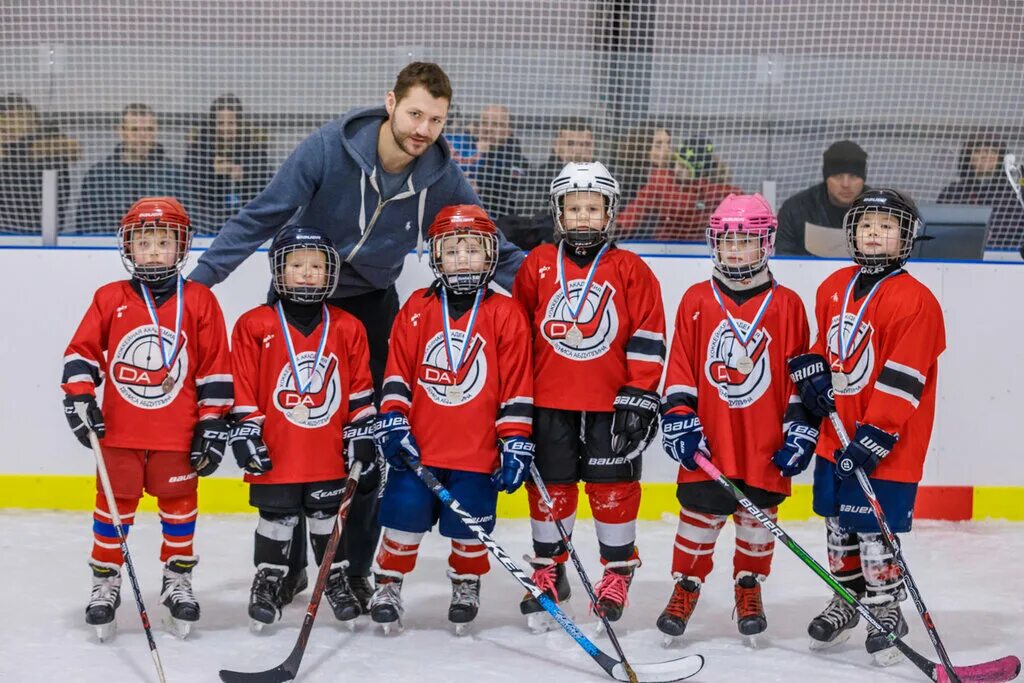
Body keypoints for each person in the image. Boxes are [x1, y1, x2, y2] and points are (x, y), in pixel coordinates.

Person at [187, 62, 525, 611]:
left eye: (436, 120)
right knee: (291, 434)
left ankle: (353, 570)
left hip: (369, 311)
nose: (423, 129)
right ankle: (285, 570)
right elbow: (259, 217)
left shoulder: (441, 175)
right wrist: (196, 288)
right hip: (301, 298)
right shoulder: (327, 149)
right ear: (390, 103)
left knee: (365, 446)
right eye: (415, 114)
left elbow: (493, 246)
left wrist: (552, 290)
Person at [60, 197, 233, 640]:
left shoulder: (199, 301)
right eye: (144, 243)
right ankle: (106, 582)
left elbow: (215, 369)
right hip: (118, 434)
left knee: (179, 510)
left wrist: (211, 423)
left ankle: (177, 582)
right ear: (128, 248)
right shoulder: (110, 298)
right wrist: (80, 400)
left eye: (164, 242)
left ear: (182, 247)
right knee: (112, 511)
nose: (154, 251)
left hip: (177, 435)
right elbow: (81, 354)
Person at [787, 189, 945, 666]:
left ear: (906, 237)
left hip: (887, 443)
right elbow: (824, 345)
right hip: (837, 437)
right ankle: (847, 601)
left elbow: (905, 374)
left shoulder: (917, 300)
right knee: (838, 528)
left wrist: (876, 433)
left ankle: (885, 608)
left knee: (875, 532)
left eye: (887, 225)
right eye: (866, 224)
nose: (875, 232)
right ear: (852, 232)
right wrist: (811, 370)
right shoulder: (832, 285)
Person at [655, 193, 819, 643]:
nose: (733, 250)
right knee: (698, 518)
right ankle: (685, 588)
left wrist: (800, 430)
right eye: (726, 241)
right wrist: (679, 419)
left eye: (745, 241)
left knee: (758, 521)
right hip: (712, 439)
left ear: (766, 243)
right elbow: (682, 369)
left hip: (764, 441)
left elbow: (795, 380)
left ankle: (749, 587)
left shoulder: (787, 305)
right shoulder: (696, 299)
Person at [512, 162, 665, 629]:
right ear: (559, 213)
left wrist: (639, 394)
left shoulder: (630, 269)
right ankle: (549, 570)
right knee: (550, 489)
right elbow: (519, 338)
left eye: (592, 209)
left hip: (610, 407)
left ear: (609, 213)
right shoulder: (537, 264)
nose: (582, 217)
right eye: (573, 208)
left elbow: (648, 334)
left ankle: (616, 574)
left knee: (613, 490)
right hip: (549, 402)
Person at [370, 204, 534, 633]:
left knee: (471, 526)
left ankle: (466, 582)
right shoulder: (416, 309)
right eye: (452, 249)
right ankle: (388, 582)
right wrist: (392, 419)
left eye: (474, 249)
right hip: (419, 447)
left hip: (478, 451)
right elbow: (397, 374)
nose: (463, 258)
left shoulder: (507, 313)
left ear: (491, 255)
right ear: (436, 256)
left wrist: (515, 439)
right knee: (402, 519)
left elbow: (517, 386)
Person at [228, 225, 378, 629]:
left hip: (327, 449)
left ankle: (335, 579)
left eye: (317, 265)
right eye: (297, 265)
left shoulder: (348, 326)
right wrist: (245, 434)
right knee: (275, 517)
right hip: (276, 447)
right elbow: (242, 388)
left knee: (328, 515)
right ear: (278, 270)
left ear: (331, 272)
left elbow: (360, 392)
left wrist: (362, 436)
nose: (308, 273)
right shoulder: (253, 325)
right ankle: (269, 579)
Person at [77, 104, 186, 233]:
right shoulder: (98, 176)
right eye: (134, 129)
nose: (142, 135)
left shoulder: (175, 175)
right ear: (121, 131)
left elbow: (187, 221)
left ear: (156, 130)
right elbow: (86, 224)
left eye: (149, 129)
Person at [617, 138, 739, 240]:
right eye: (678, 163)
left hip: (698, 245)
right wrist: (620, 226)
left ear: (697, 172)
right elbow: (639, 205)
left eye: (685, 167)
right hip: (664, 243)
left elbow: (736, 198)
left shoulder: (708, 189)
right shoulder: (661, 181)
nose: (678, 169)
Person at [184, 94, 273, 235]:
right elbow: (189, 181)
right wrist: (212, 171)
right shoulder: (200, 146)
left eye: (231, 123)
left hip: (245, 213)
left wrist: (244, 175)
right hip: (207, 215)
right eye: (220, 123)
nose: (225, 128)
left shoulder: (253, 146)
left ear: (239, 122)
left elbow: (264, 180)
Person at [503, 117, 596, 251]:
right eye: (571, 144)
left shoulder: (606, 179)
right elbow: (530, 222)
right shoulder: (535, 179)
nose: (578, 150)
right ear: (556, 145)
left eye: (586, 145)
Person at [0, 93, 80, 233]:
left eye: (15, 117)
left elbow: (74, 150)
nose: (11, 124)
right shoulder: (6, 143)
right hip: (7, 219)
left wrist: (36, 148)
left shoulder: (48, 134)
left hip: (43, 218)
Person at [775, 140, 868, 256]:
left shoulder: (880, 209)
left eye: (853, 176)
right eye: (837, 176)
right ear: (826, 178)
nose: (845, 184)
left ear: (863, 178)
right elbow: (784, 256)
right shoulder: (796, 209)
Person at [938, 132, 1024, 247]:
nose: (985, 156)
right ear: (968, 157)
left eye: (992, 151)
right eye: (978, 151)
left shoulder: (1013, 195)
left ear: (1001, 158)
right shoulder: (952, 193)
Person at [471, 105, 529, 218]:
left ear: (509, 130)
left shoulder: (519, 163)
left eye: (496, 124)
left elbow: (501, 192)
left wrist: (483, 156)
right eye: (484, 123)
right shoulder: (463, 151)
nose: (488, 129)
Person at [612, 122, 673, 206]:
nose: (666, 149)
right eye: (658, 144)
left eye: (668, 144)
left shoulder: (672, 178)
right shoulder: (625, 179)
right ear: (643, 147)